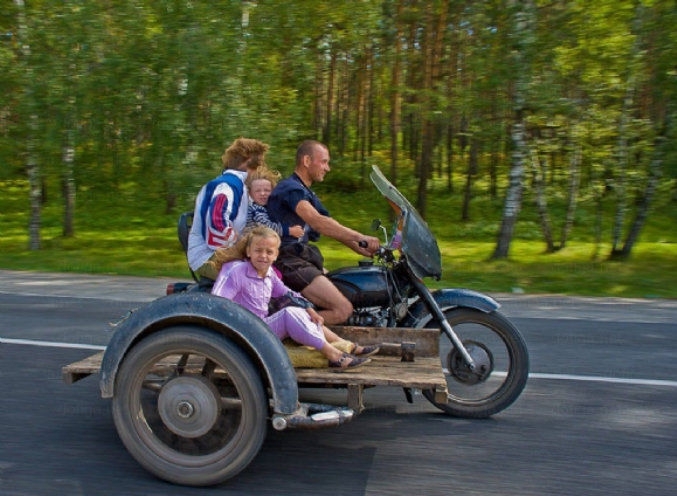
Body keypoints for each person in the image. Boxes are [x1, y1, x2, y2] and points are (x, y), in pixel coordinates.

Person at [211, 226, 379, 370]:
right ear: (248, 251)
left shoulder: (268, 273)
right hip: (242, 333)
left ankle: (346, 346)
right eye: (258, 250)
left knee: (300, 309)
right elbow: (216, 304)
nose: (263, 256)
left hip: (261, 328)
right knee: (288, 313)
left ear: (276, 255)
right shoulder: (235, 271)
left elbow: (288, 293)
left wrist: (310, 310)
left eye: (269, 252)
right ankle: (334, 355)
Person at [267, 140, 381, 325]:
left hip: (301, 258)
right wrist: (360, 237)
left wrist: (363, 248)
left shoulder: (306, 192)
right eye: (324, 162)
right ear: (306, 160)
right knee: (342, 309)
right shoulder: (290, 189)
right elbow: (317, 221)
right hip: (288, 260)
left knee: (345, 286)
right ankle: (280, 329)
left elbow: (330, 225)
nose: (327, 168)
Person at [187, 137, 270, 281]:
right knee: (257, 280)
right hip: (208, 257)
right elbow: (216, 221)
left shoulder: (237, 185)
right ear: (248, 160)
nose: (259, 170)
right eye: (259, 164)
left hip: (213, 253)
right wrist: (238, 241)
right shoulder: (228, 185)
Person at [245, 167, 305, 239]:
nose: (262, 193)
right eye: (257, 191)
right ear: (250, 194)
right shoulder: (255, 209)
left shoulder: (267, 208)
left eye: (267, 190)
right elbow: (267, 227)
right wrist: (290, 230)